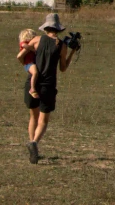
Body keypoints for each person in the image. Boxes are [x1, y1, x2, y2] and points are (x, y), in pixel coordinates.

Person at [24, 13, 76, 164]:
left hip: (32, 83)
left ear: (45, 27)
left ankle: (31, 146)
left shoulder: (36, 40)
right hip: (48, 85)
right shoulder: (61, 45)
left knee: (33, 116)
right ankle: (34, 143)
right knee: (43, 120)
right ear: (58, 29)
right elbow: (63, 68)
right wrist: (72, 51)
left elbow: (25, 54)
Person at [16, 29, 40, 99]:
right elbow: (24, 45)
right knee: (35, 73)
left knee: (35, 73)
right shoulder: (25, 43)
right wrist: (32, 49)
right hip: (29, 63)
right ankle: (32, 89)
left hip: (30, 63)